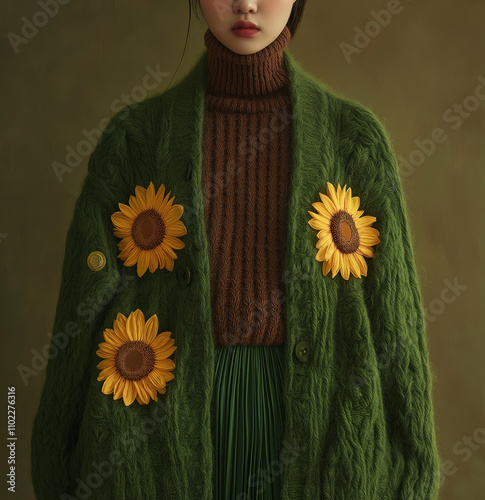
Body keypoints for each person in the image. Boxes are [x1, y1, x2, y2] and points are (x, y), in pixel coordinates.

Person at [30, 1, 443, 499]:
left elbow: (397, 326)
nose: (245, 2)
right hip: (161, 433)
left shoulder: (353, 142)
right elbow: (81, 314)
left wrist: (416, 470)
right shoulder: (134, 144)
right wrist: (48, 462)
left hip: (314, 432)